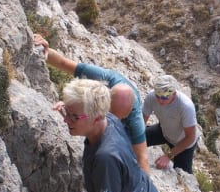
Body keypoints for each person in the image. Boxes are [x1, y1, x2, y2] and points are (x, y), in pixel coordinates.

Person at [33, 33, 149, 170]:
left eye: (118, 118)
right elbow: (62, 63)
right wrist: (42, 48)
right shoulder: (100, 78)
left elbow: (142, 158)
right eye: (110, 113)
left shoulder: (135, 119)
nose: (112, 119)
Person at [142, 74, 201, 174]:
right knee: (134, 138)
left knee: (182, 174)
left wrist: (168, 156)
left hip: (184, 142)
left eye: (165, 98)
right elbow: (141, 121)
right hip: (164, 131)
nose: (160, 100)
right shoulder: (151, 97)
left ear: (174, 93)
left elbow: (190, 137)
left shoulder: (185, 106)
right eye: (158, 96)